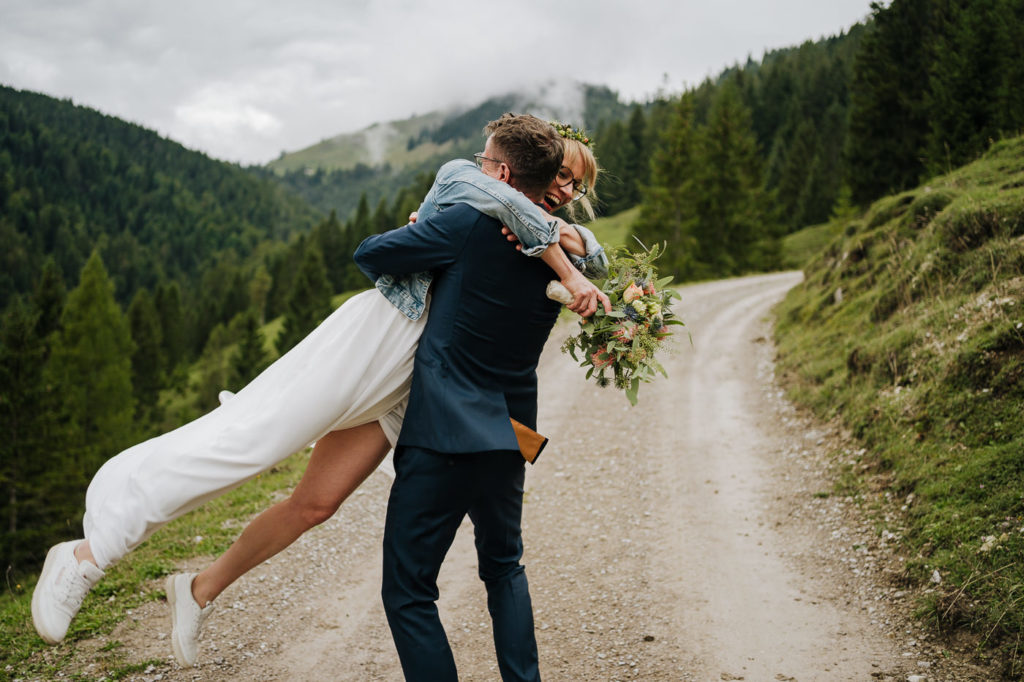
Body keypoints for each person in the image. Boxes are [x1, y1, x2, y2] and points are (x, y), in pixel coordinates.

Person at [30, 115, 608, 666]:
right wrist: (567, 252)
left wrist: (576, 254)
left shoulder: (544, 245)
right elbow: (496, 213)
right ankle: (89, 554)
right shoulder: (471, 188)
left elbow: (584, 255)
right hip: (378, 345)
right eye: (561, 175)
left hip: (417, 382)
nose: (564, 191)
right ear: (525, 170)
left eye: (575, 187)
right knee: (253, 437)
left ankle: (197, 591)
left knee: (316, 503)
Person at [355, 113, 569, 681]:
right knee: (505, 570)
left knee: (408, 592)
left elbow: (370, 253)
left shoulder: (466, 225)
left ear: (500, 172)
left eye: (481, 161)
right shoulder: (561, 245)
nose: (475, 168)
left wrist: (425, 224)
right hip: (512, 432)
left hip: (443, 433)